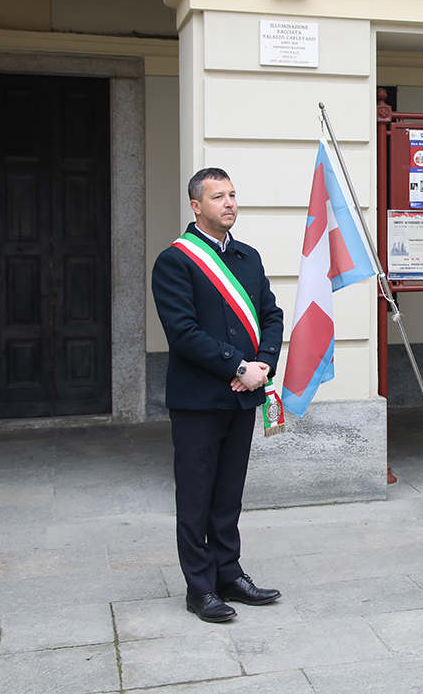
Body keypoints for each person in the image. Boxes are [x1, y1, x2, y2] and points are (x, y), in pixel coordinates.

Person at [152, 168, 286, 622]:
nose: (229, 203)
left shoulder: (248, 257)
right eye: (217, 197)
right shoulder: (176, 261)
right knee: (196, 496)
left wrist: (263, 363)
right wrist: (238, 366)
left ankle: (229, 572)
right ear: (196, 206)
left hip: (242, 396)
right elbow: (184, 333)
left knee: (229, 494)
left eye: (232, 195)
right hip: (197, 401)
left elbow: (272, 314)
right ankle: (200, 587)